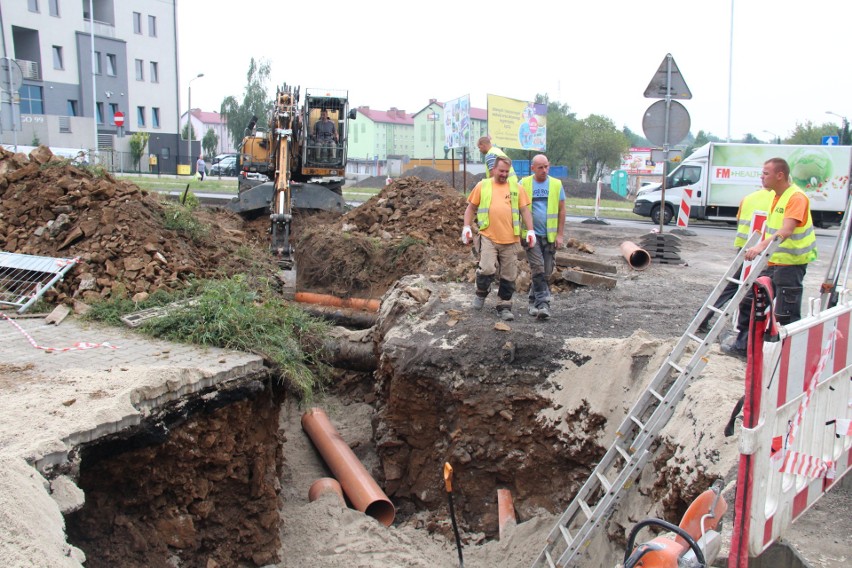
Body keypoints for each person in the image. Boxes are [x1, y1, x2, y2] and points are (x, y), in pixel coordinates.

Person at [724, 158, 818, 355]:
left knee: (786, 313)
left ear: (780, 175)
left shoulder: (796, 197)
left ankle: (786, 356)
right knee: (750, 300)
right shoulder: (777, 196)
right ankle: (743, 345)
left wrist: (760, 247)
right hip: (774, 262)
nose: (762, 177)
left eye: (766, 173)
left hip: (790, 264)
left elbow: (786, 230)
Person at [462, 156, 535, 321]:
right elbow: (471, 208)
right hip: (489, 237)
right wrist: (466, 226)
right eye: (501, 171)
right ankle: (481, 292)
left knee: (509, 276)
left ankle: (504, 306)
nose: (504, 174)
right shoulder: (483, 186)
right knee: (487, 268)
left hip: (511, 240)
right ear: (493, 169)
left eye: (506, 171)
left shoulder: (516, 188)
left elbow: (524, 211)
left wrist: (530, 231)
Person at [696, 186, 773, 332]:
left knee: (728, 287)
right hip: (761, 251)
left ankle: (701, 319)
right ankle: (748, 329)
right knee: (758, 290)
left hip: (745, 248)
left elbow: (739, 219)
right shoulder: (777, 200)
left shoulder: (748, 198)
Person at [519, 154, 565, 320]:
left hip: (550, 236)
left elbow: (561, 210)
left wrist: (560, 234)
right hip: (531, 236)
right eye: (540, 167)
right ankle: (543, 304)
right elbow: (516, 208)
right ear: (533, 168)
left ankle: (533, 301)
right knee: (537, 268)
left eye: (546, 166)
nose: (544, 170)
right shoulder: (524, 184)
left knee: (545, 273)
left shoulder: (556, 184)